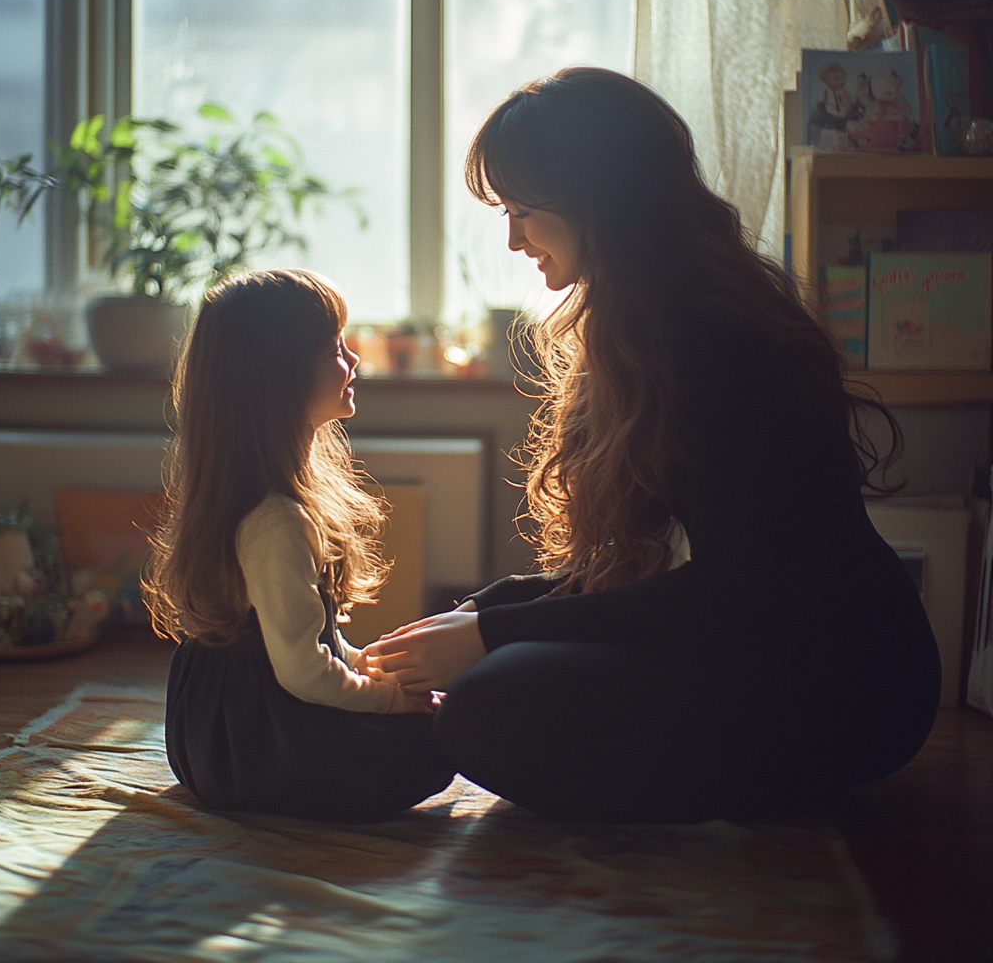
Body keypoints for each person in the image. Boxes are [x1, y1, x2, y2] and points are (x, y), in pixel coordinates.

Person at [363, 67, 942, 823]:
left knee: (484, 707)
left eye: (526, 212)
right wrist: (486, 610)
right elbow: (644, 571)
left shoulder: (717, 340)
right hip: (756, 645)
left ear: (602, 202)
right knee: (490, 672)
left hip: (844, 681)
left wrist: (494, 631)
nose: (511, 240)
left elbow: (735, 592)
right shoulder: (638, 325)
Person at [146, 270, 454, 822]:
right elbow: (304, 673)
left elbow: (315, 644)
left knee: (425, 717)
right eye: (335, 347)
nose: (353, 359)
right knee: (436, 739)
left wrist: (376, 670)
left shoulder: (258, 501)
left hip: (223, 732)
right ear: (280, 378)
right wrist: (390, 700)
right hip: (255, 743)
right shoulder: (276, 523)